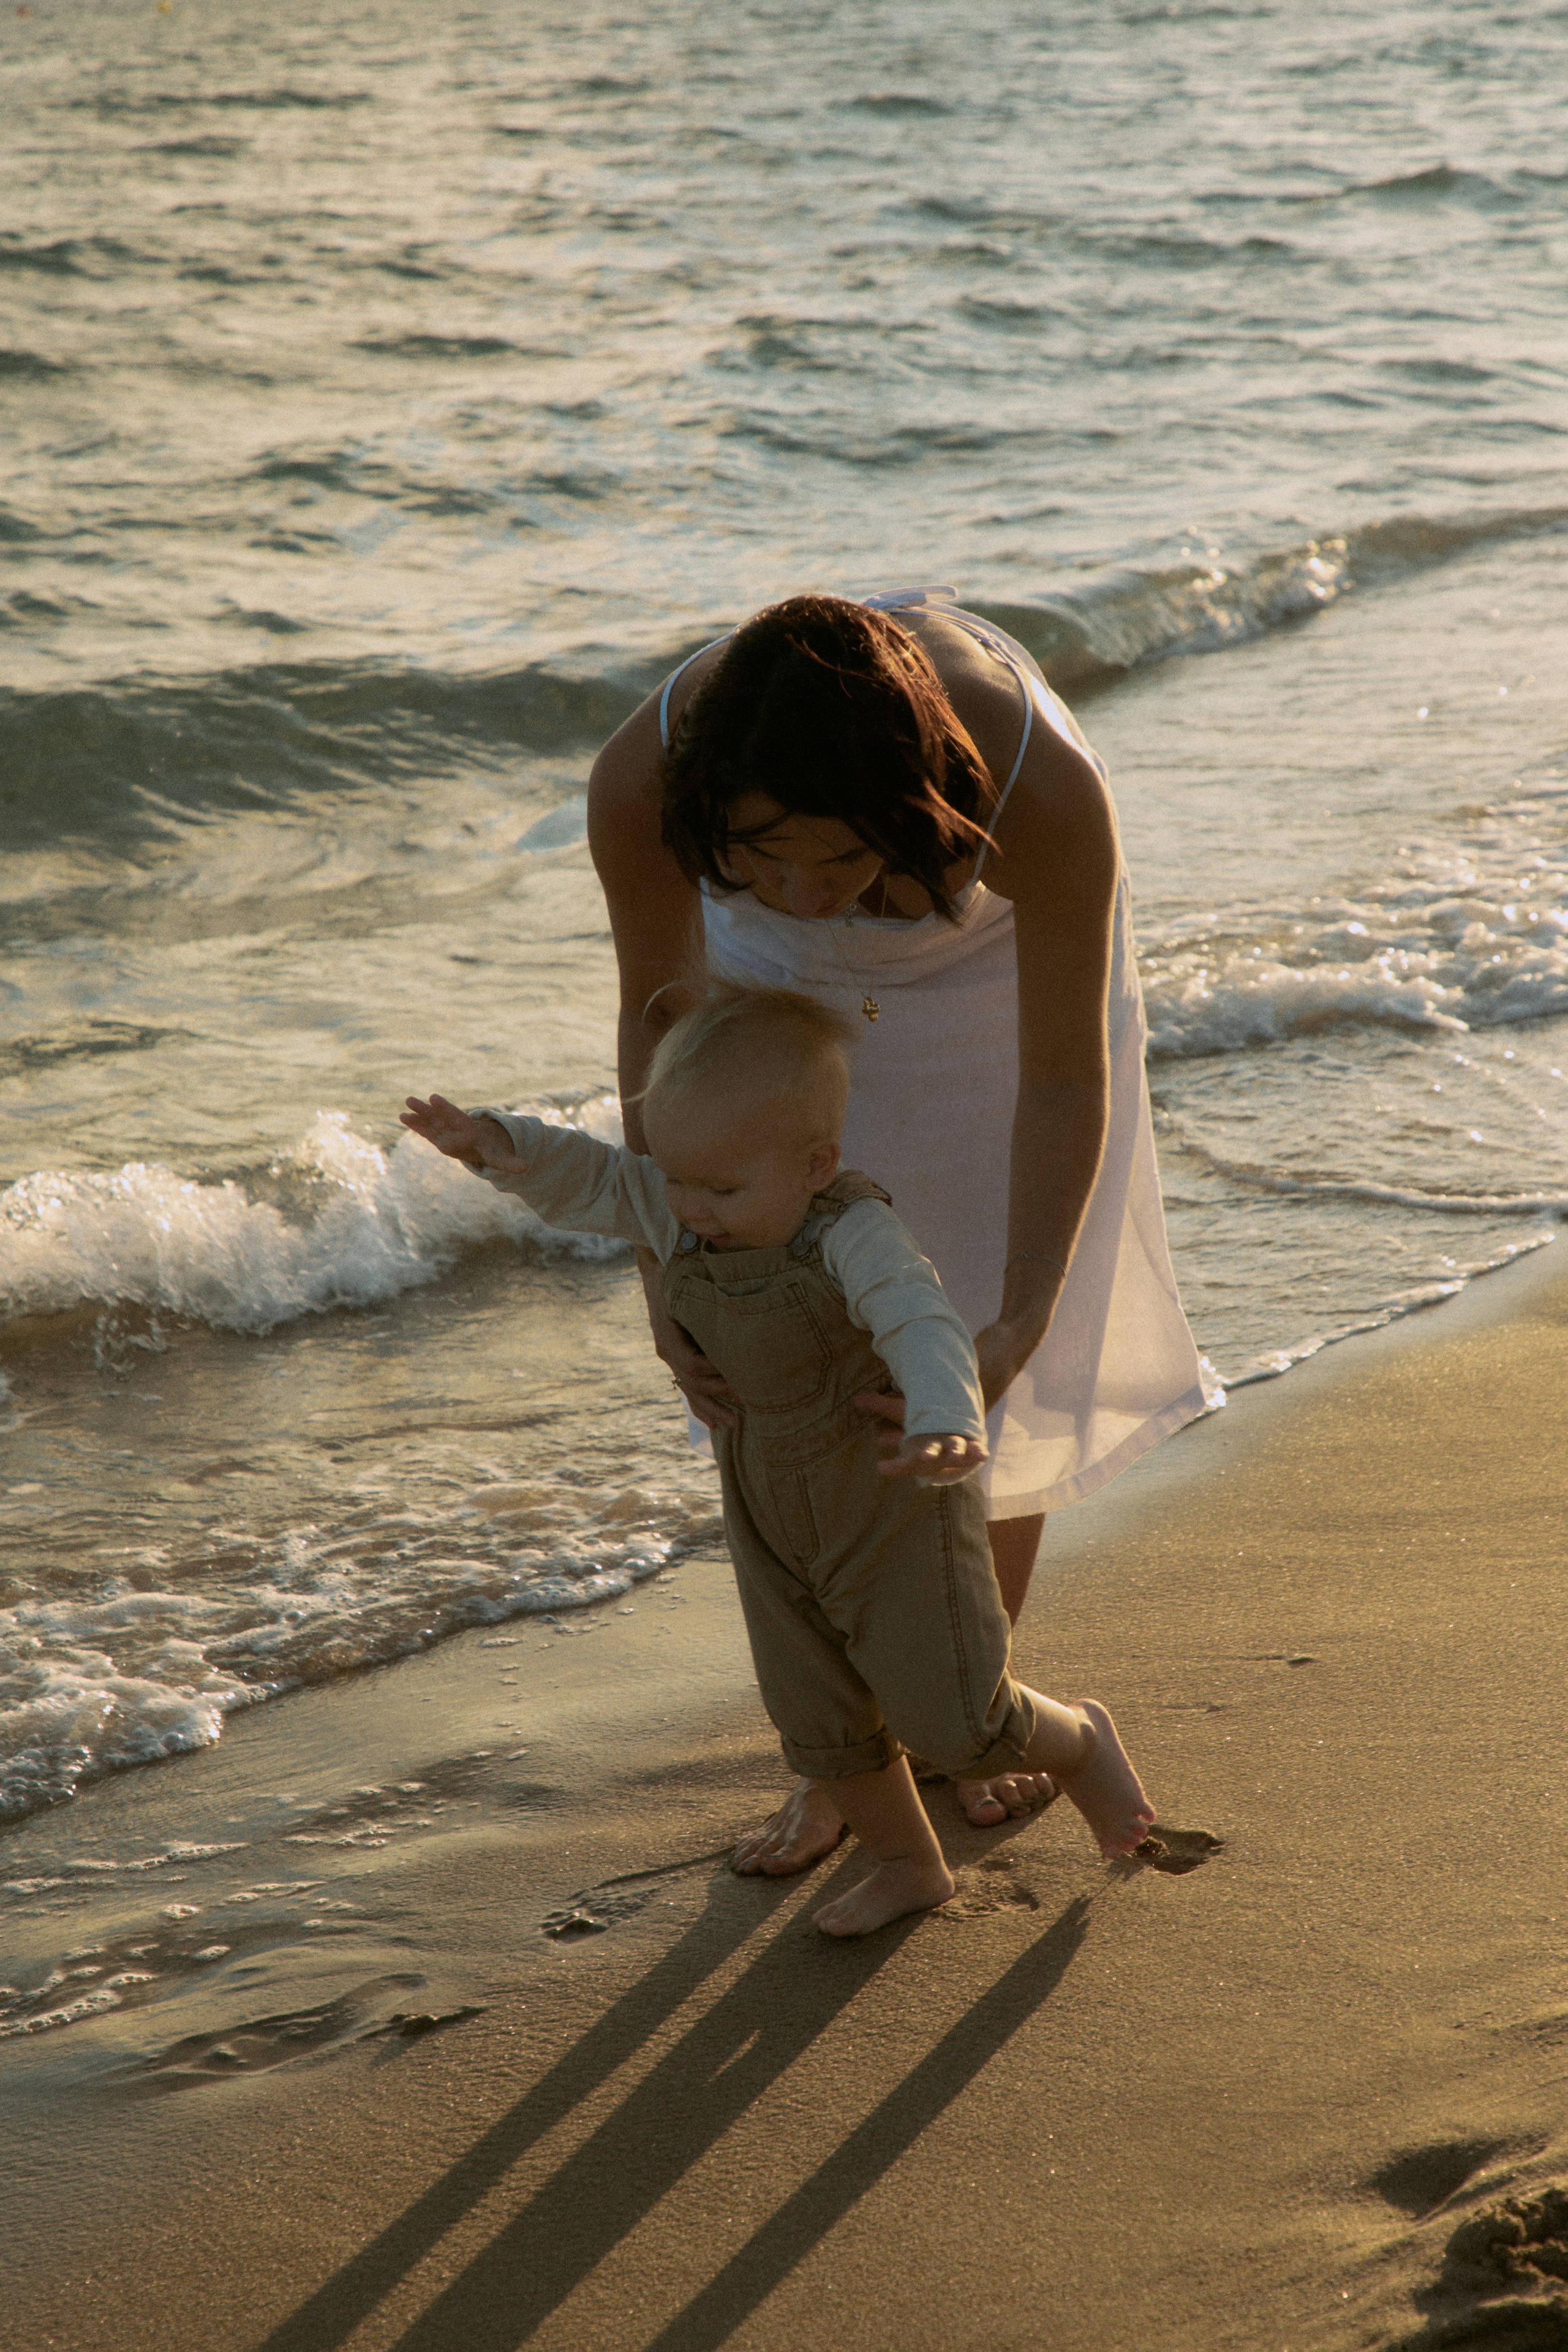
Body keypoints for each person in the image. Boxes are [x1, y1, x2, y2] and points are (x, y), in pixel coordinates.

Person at [585, 586, 1207, 1871]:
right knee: (782, 1345)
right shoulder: (640, 779)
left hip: (985, 991)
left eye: (839, 860)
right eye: (765, 865)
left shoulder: (1038, 789)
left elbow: (1061, 1079)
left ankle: (959, 1706)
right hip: (758, 1006)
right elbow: (657, 1029)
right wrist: (669, 1276)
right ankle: (843, 1762)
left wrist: (1020, 1316)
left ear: (915, 804)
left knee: (971, 1332)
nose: (806, 896)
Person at [401, 985, 1156, 1937]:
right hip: (766, 1506)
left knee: (959, 1718)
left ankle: (1081, 1744)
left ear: (816, 1163)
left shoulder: (850, 1230)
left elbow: (917, 1318)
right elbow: (594, 1179)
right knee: (818, 1716)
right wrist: (499, 1147)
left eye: (721, 1189)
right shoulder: (683, 1205)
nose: (691, 1208)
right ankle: (907, 1864)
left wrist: (945, 1418)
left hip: (891, 1499)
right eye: (680, 1180)